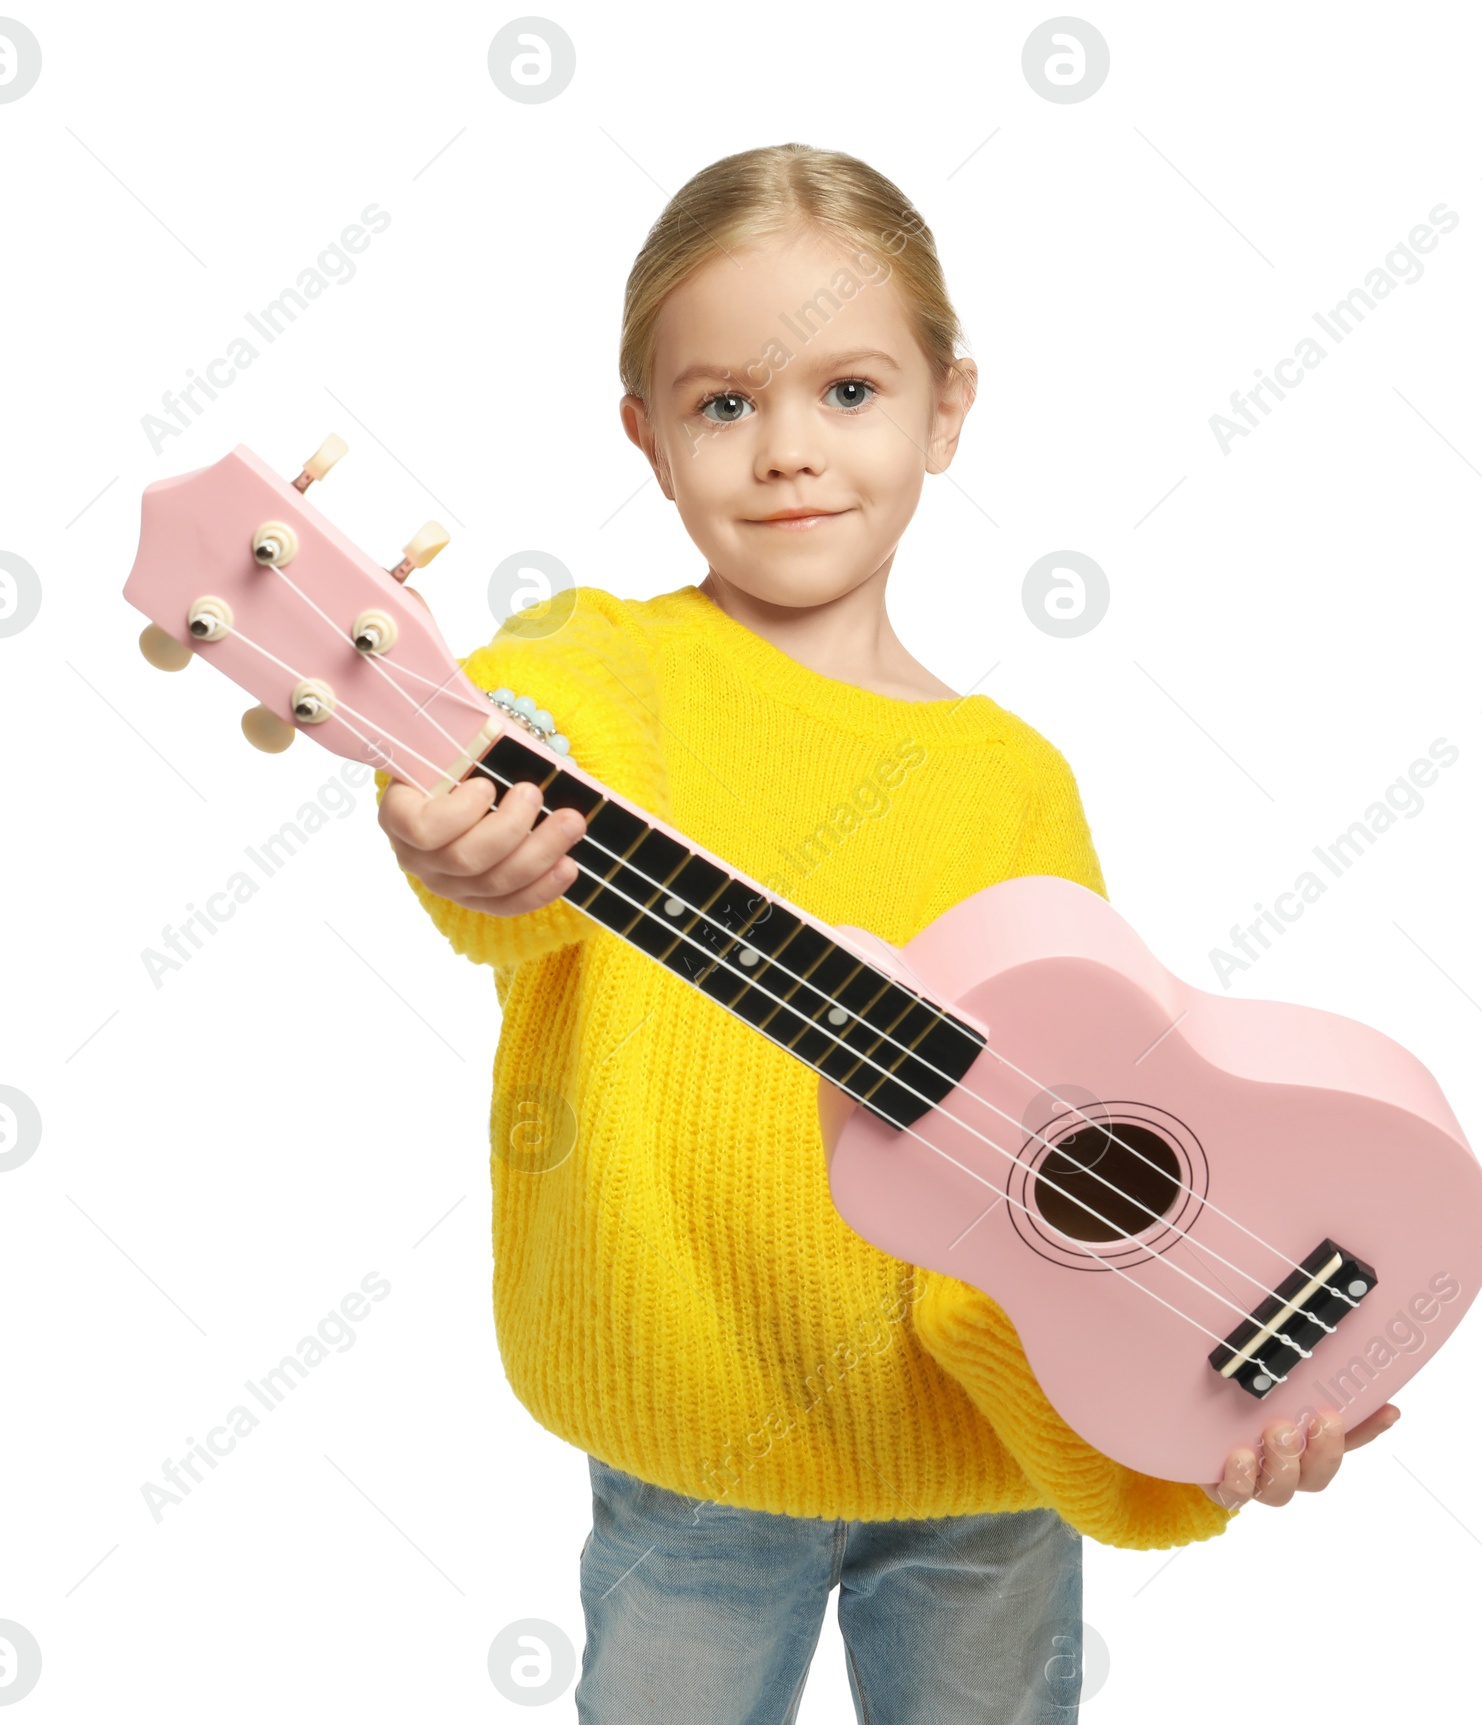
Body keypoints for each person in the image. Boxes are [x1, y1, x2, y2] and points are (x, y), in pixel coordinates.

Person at [375, 143, 1399, 1724]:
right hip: (697, 1466)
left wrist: (1205, 1407)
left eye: (846, 390)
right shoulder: (616, 673)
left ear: (948, 410)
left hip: (991, 1474)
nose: (787, 450)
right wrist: (475, 836)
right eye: (725, 403)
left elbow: (1105, 1144)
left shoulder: (1014, 779)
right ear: (648, 438)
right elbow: (535, 730)